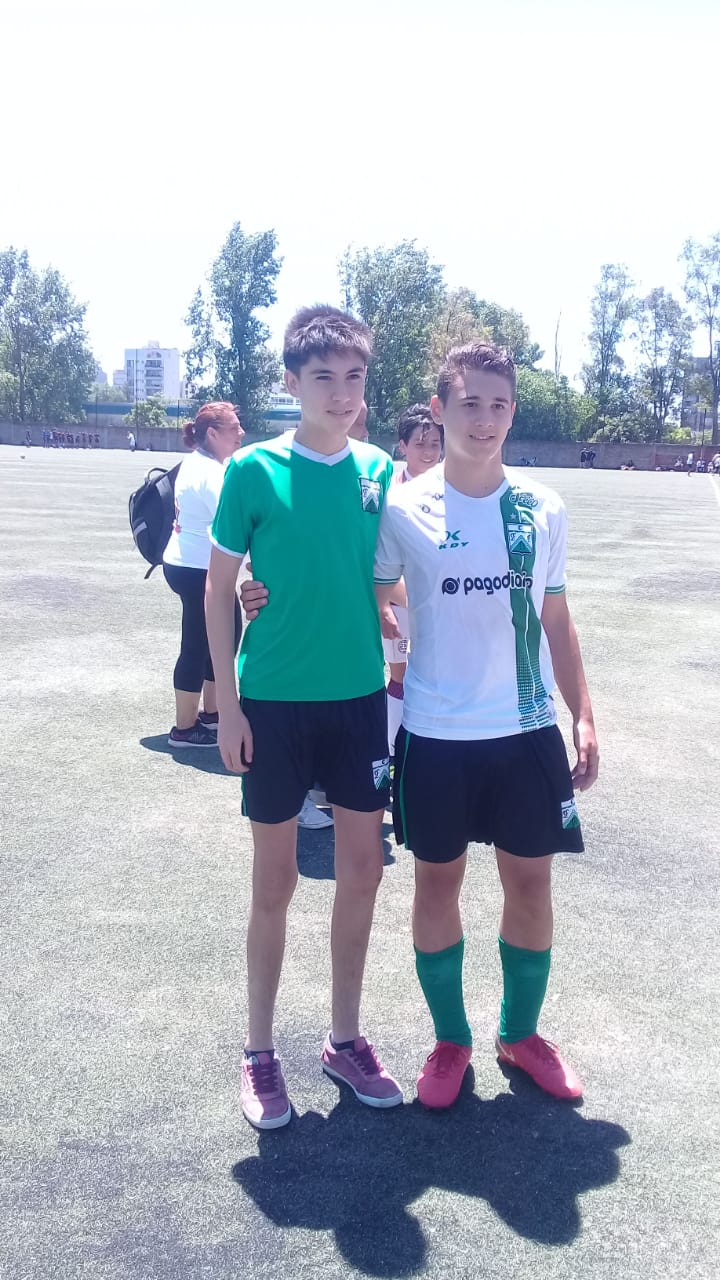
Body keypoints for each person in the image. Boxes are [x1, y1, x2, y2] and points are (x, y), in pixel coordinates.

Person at [374, 342, 599, 1109]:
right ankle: (450, 1041)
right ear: (440, 409)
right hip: (435, 734)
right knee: (437, 883)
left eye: (499, 404)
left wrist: (584, 715)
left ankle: (520, 1034)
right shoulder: (402, 508)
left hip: (526, 731)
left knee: (531, 884)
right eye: (470, 403)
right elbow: (372, 594)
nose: (485, 419)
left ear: (513, 411)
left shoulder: (543, 507)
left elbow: (556, 618)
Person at [205, 305, 402, 1130]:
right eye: (324, 377)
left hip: (358, 701)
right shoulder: (252, 470)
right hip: (275, 703)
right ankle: (258, 1051)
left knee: (363, 871)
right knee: (275, 882)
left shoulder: (381, 470)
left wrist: (394, 617)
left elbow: (386, 577)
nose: (342, 393)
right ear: (291, 383)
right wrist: (229, 706)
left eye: (354, 377)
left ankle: (343, 1040)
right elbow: (219, 590)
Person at [162, 402, 244, 748]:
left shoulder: (201, 463)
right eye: (234, 428)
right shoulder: (210, 473)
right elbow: (233, 523)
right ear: (212, 433)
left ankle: (212, 712)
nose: (241, 434)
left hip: (190, 564)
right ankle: (184, 727)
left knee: (224, 636)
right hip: (195, 568)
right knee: (197, 644)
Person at [384, 405, 444, 755]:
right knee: (401, 675)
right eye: (420, 444)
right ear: (403, 446)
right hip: (397, 603)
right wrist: (388, 602)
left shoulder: (453, 488)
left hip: (440, 603)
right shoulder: (389, 490)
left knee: (437, 673)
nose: (429, 452)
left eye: (435, 444)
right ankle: (394, 752)